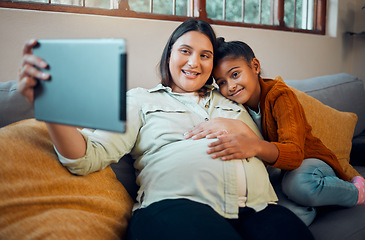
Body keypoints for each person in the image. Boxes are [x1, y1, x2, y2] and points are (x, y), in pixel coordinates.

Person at [17, 19, 314, 240]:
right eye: (185, 50)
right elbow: (86, 157)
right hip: (178, 207)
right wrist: (53, 109)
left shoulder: (233, 100)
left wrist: (240, 128)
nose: (194, 62)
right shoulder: (139, 100)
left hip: (260, 209)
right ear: (169, 54)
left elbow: (276, 151)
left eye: (205, 55)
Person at [184, 38, 365, 226]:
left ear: (255, 66)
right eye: (221, 82)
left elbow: (295, 155)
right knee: (287, 213)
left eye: (235, 74)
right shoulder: (232, 104)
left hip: (310, 162)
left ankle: (355, 192)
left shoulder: (280, 96)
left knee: (299, 184)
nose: (230, 86)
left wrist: (255, 146)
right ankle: (319, 201)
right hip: (282, 173)